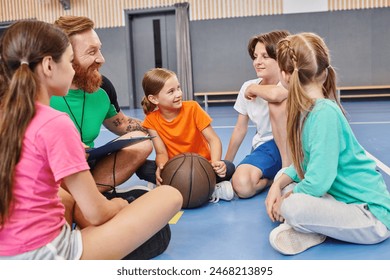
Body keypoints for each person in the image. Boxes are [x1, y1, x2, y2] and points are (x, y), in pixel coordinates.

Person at [0, 20, 182, 260]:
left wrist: (156, 128)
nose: (101, 59)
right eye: (68, 60)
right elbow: (97, 214)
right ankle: (93, 200)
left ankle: (85, 200)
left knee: (64, 198)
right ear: (48, 65)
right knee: (170, 195)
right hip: (50, 255)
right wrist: (120, 206)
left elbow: (122, 123)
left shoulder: (9, 113)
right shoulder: (54, 121)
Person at [265, 32, 390, 255]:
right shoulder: (310, 110)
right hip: (338, 199)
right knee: (283, 176)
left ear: (285, 76)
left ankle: (312, 229)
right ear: (324, 72)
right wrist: (276, 186)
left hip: (370, 216)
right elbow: (303, 163)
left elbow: (318, 183)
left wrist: (283, 201)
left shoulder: (324, 114)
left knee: (292, 206)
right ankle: (314, 226)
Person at [50, 15, 152, 194]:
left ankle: (90, 195)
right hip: (54, 169)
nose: (101, 59)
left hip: (89, 163)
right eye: (91, 52)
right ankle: (85, 198)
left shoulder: (102, 86)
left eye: (100, 50)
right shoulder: (39, 90)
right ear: (67, 56)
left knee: (142, 143)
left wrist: (159, 126)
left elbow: (123, 125)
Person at [136, 68, 235, 203]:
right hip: (176, 168)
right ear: (154, 99)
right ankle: (203, 188)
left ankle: (204, 187)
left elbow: (214, 140)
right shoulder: (151, 120)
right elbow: (161, 153)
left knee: (229, 167)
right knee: (141, 168)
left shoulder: (192, 108)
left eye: (178, 88)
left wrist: (216, 163)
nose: (179, 94)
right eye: (171, 91)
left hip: (203, 165)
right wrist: (162, 168)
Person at [224, 30, 291, 199]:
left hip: (291, 145)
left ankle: (286, 172)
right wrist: (226, 166)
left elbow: (276, 95)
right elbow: (240, 129)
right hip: (264, 147)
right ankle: (271, 180)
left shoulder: (289, 82)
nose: (257, 62)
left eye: (265, 56)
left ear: (280, 58)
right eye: (255, 56)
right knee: (241, 185)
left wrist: (254, 89)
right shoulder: (247, 85)